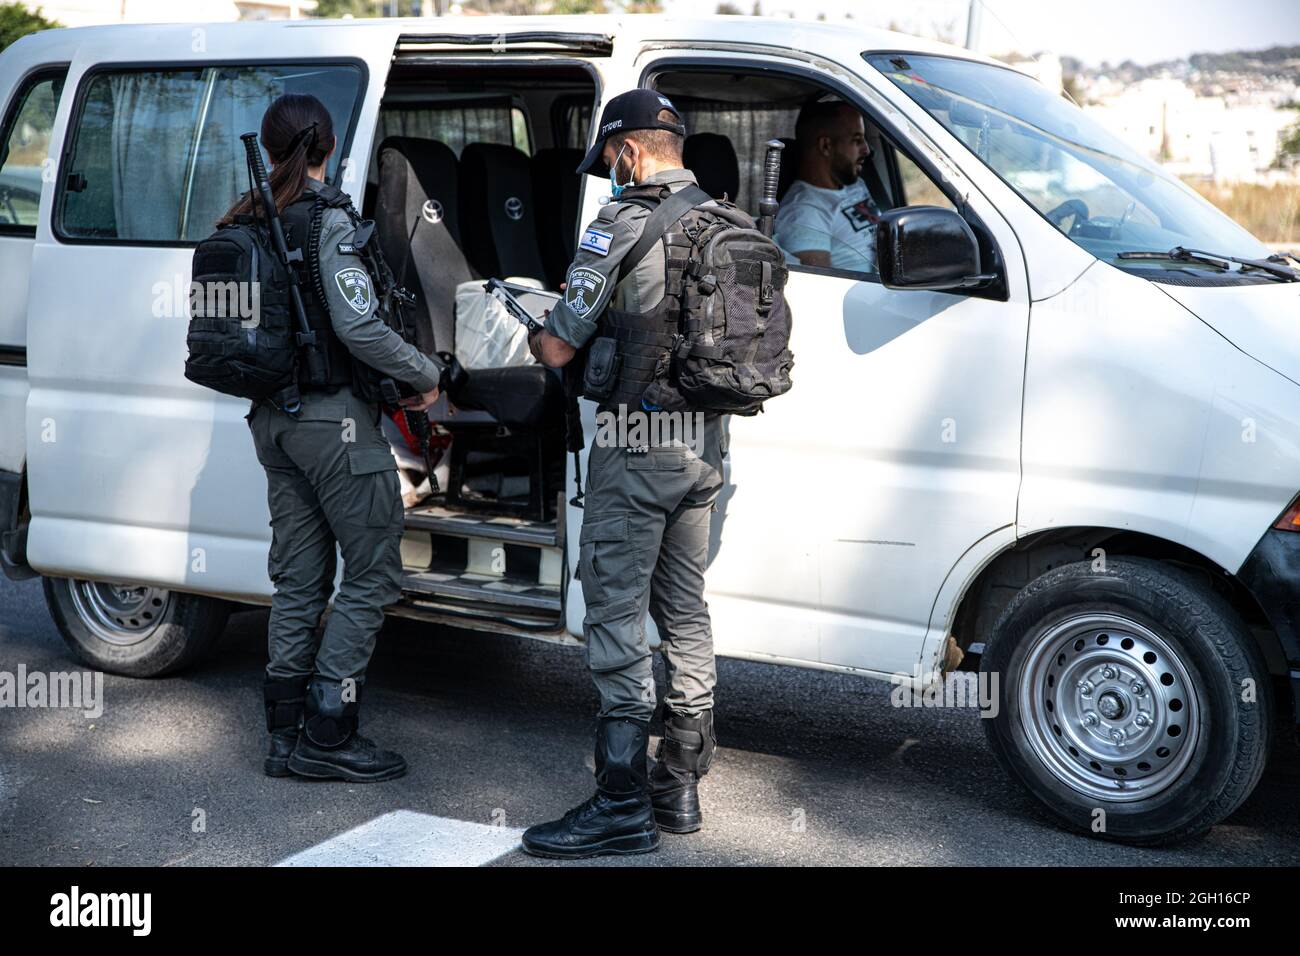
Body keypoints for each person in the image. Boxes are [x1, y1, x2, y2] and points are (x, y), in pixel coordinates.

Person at [520, 89, 726, 859]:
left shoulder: (617, 226)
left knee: (613, 612)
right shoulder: (723, 220)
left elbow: (561, 349)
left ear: (630, 153)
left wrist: (541, 331)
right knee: (685, 610)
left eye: (608, 159)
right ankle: (679, 786)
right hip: (704, 446)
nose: (608, 173)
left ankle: (618, 803)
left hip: (636, 447)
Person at [221, 93, 444, 783]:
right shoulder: (329, 220)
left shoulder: (248, 217)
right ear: (326, 145)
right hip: (333, 427)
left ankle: (284, 736)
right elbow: (360, 328)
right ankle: (329, 729)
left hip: (273, 424)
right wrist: (424, 373)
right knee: (373, 572)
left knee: (299, 580)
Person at [773, 98, 883, 272]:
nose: (866, 150)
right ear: (826, 146)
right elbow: (823, 288)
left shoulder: (854, 183)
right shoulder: (802, 214)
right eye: (857, 140)